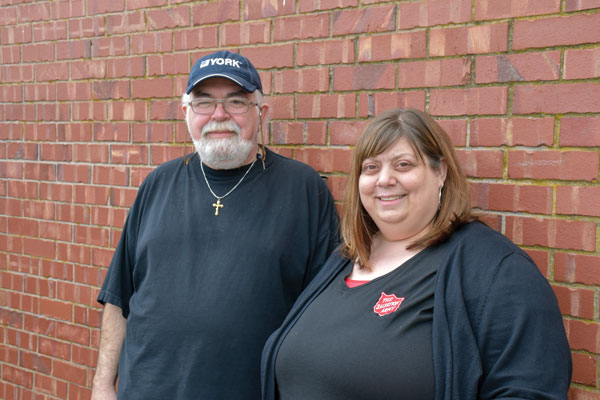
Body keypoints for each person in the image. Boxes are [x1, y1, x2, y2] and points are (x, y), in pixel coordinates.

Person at [261, 108, 572, 400]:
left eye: (403, 165)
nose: (384, 180)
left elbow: (529, 389)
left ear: (441, 173)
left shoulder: (495, 270)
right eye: (371, 168)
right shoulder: (343, 259)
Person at [91, 50, 339, 400]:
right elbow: (119, 298)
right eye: (204, 102)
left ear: (261, 113)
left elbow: (324, 315)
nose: (219, 115)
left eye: (237, 101)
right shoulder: (156, 185)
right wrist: (102, 386)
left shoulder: (303, 190)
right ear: (186, 114)